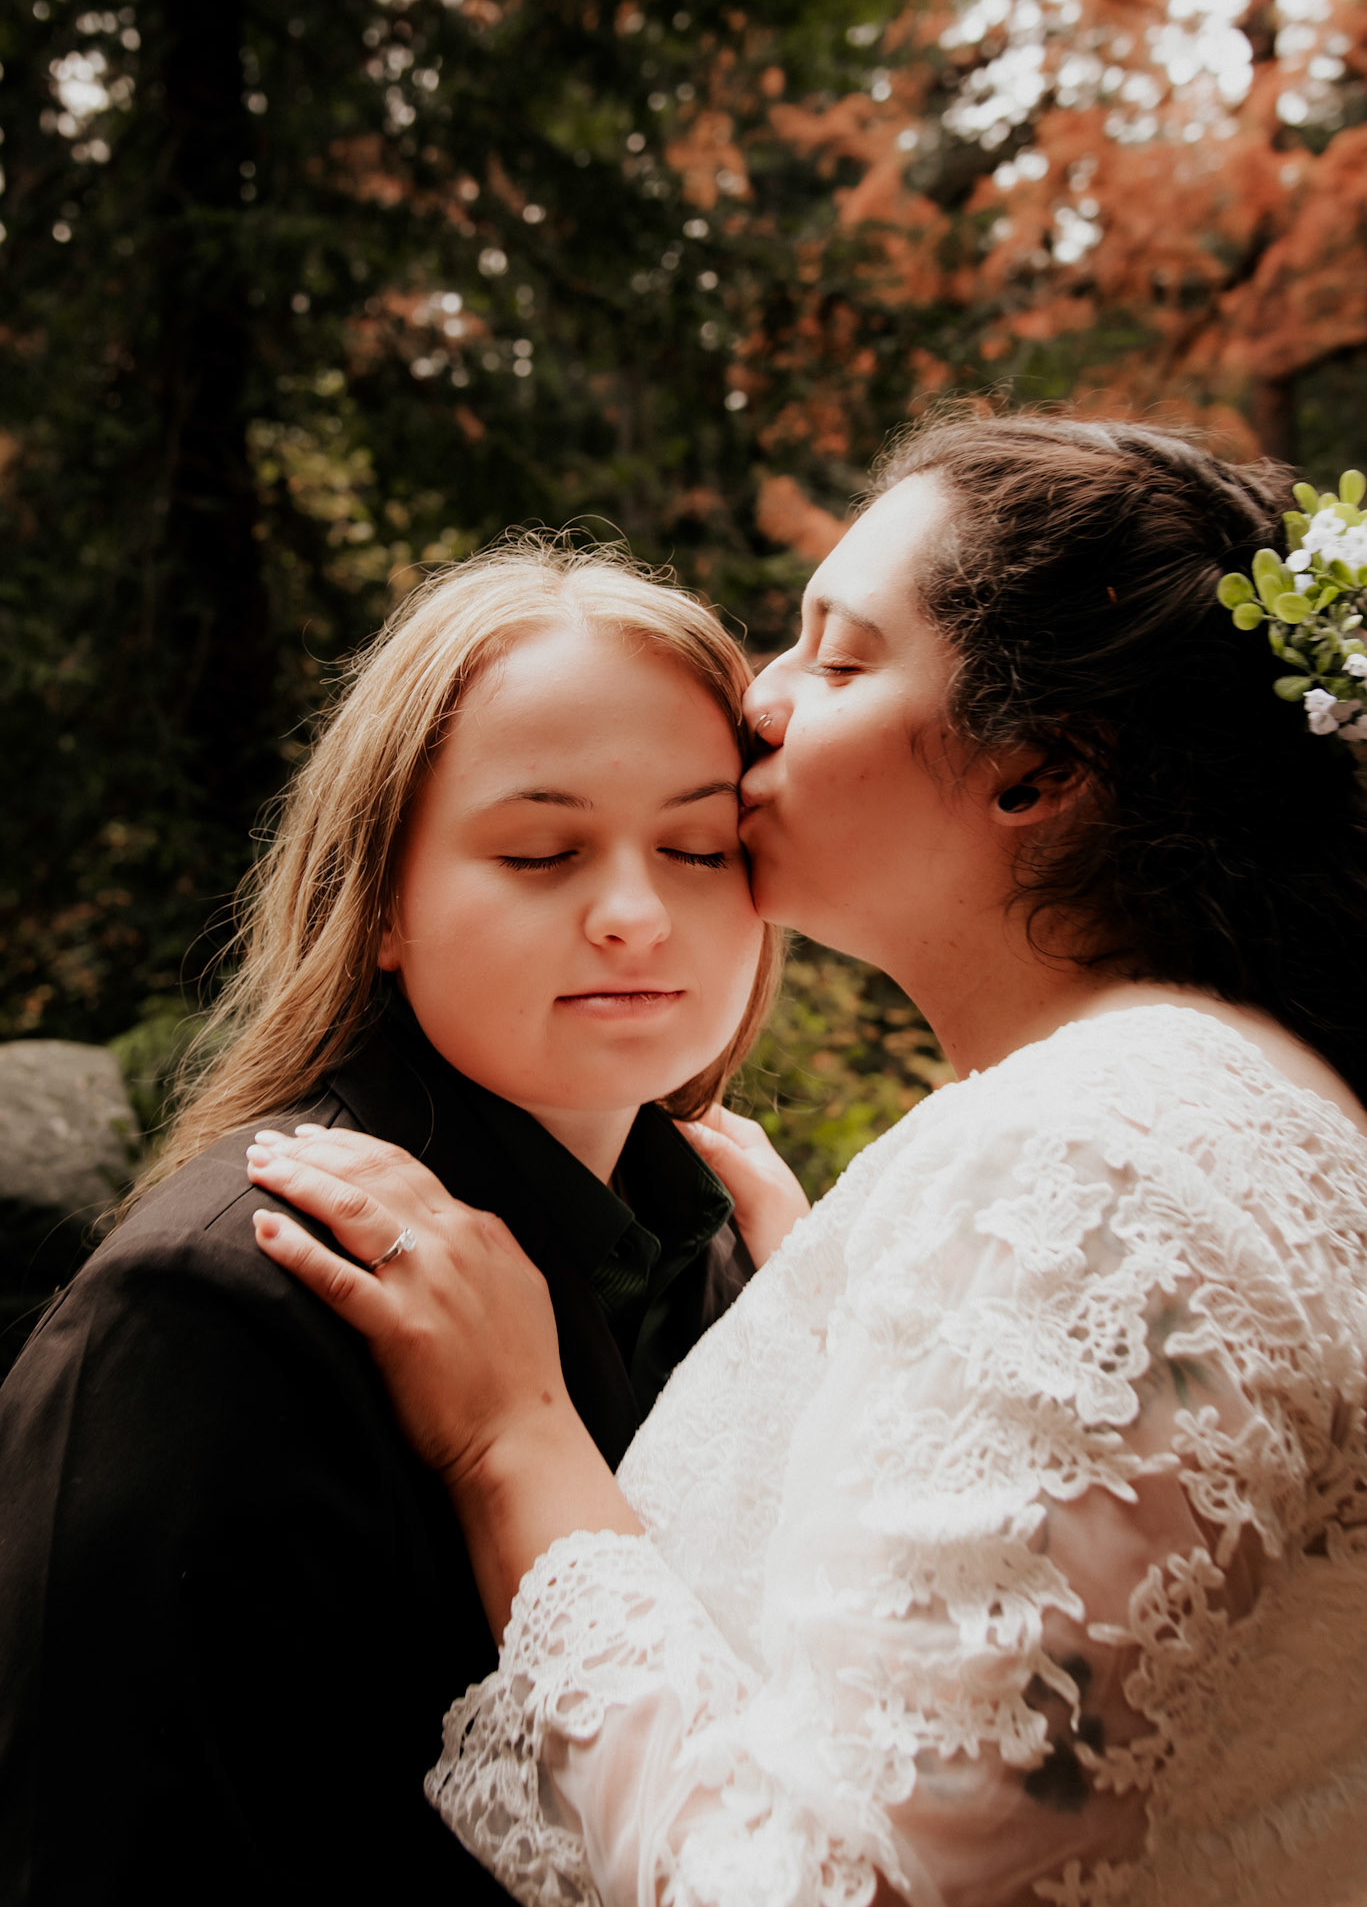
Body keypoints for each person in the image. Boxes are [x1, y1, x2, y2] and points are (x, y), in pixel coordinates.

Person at [252, 414, 1367, 1907]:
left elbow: (833, 1886)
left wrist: (513, 1437)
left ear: (1036, 770)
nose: (758, 703)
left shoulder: (1095, 1170)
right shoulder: (1204, 1107)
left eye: (838, 659)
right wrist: (839, 1317)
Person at [0, 543, 787, 1906]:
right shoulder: (224, 1302)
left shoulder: (729, 1263)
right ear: (381, 907)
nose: (635, 913)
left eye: (698, 848)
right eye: (541, 852)